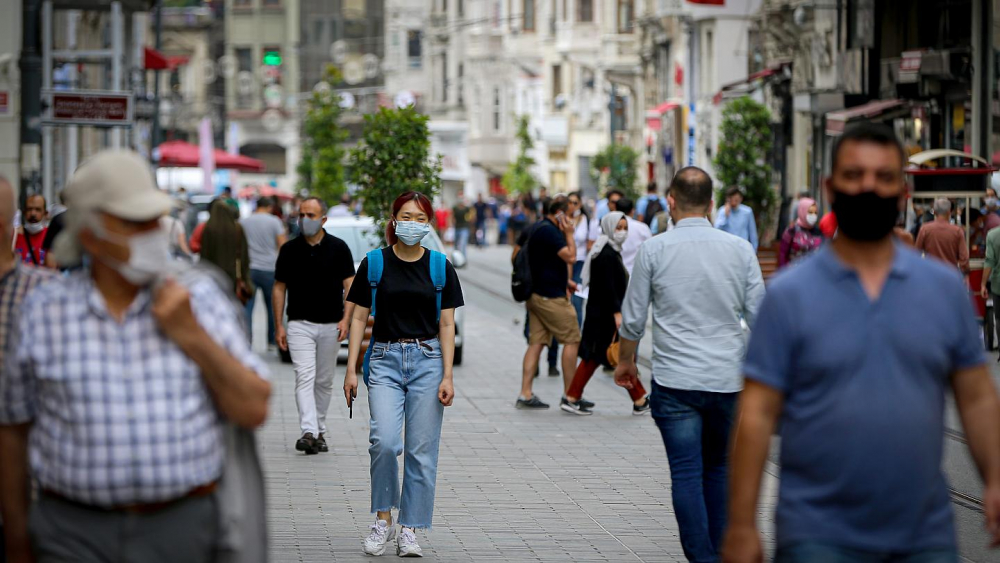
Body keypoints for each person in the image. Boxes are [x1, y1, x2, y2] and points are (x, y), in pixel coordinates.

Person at [724, 123, 1000, 563]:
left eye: (884, 177)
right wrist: (740, 525)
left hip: (923, 534)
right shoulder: (788, 295)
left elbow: (978, 398)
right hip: (815, 533)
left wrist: (995, 479)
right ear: (831, 188)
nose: (869, 187)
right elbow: (755, 414)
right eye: (854, 175)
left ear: (903, 193)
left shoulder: (942, 290)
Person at [0, 150, 271, 563]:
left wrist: (190, 335)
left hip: (182, 527)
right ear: (90, 234)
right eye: (135, 222)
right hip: (71, 532)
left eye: (154, 220)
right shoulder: (44, 311)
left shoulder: (198, 298)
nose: (152, 232)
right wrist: (18, 540)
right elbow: (13, 430)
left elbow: (254, 407)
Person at [614, 167, 765, 563]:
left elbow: (632, 319)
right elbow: (761, 317)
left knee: (685, 472)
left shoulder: (654, 250)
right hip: (728, 380)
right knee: (718, 469)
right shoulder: (739, 250)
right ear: (713, 204)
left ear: (671, 201)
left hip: (675, 380)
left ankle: (702, 558)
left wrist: (626, 362)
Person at [344, 192, 463, 557]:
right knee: (384, 442)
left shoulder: (440, 266)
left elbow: (447, 324)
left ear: (429, 224)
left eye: (421, 218)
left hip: (428, 360)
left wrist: (447, 375)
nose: (413, 224)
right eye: (406, 216)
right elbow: (360, 316)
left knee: (421, 450)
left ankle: (409, 527)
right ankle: (383, 519)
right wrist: (350, 369)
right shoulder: (375, 263)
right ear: (394, 220)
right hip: (383, 358)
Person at [274, 197, 356, 456]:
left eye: (311, 215)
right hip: (299, 323)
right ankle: (308, 430)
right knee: (304, 375)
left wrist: (347, 318)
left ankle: (319, 429)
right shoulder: (289, 250)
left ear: (323, 219)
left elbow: (350, 285)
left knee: (324, 380)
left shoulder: (339, 248)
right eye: (302, 214)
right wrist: (279, 325)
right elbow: (279, 288)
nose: (305, 219)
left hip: (331, 323)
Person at [562, 211, 650, 416]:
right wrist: (617, 313)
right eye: (618, 228)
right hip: (604, 316)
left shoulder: (608, 249)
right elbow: (608, 287)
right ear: (609, 228)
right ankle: (638, 398)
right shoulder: (606, 254)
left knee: (603, 356)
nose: (622, 232)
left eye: (625, 228)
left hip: (602, 314)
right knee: (610, 356)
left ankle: (639, 399)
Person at [514, 196, 581, 409]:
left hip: (537, 294)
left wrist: (565, 280)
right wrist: (569, 234)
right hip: (549, 298)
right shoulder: (551, 231)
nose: (572, 220)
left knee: (537, 343)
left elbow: (545, 262)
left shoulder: (539, 228)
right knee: (572, 339)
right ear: (560, 214)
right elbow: (570, 256)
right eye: (569, 215)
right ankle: (571, 396)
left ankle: (525, 394)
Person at [241, 197, 287, 349]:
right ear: (269, 207)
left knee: (248, 306)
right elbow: (282, 245)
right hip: (270, 268)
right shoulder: (274, 221)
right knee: (273, 306)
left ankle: (247, 340)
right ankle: (272, 341)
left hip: (250, 269)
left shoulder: (245, 221)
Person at [200, 199, 253, 297]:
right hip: (232, 274)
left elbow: (204, 253)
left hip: (214, 274)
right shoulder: (237, 227)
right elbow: (244, 254)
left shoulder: (208, 228)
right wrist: (244, 276)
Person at [915, 197, 969, 274]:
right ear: (949, 211)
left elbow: (916, 253)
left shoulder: (925, 229)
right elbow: (964, 258)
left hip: (930, 274)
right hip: (951, 275)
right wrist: (965, 273)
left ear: (935, 212)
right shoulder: (957, 231)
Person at [777, 197, 824, 268]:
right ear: (803, 211)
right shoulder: (792, 230)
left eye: (815, 213)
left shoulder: (819, 232)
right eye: (810, 212)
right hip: (794, 274)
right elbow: (783, 254)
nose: (813, 215)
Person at [568, 191, 590, 326]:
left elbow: (590, 244)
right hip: (564, 262)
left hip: (580, 262)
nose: (572, 206)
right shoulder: (562, 219)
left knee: (577, 299)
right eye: (569, 203)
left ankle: (577, 334)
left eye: (575, 203)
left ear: (580, 204)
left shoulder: (586, 220)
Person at [615, 198, 653, 274]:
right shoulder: (642, 228)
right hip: (636, 272)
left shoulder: (608, 228)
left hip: (615, 272)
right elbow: (651, 250)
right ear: (633, 210)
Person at [715, 186, 759, 251]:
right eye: (731, 198)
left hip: (743, 248)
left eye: (736, 199)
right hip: (727, 248)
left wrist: (754, 251)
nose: (734, 201)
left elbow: (752, 234)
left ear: (740, 199)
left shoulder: (747, 211)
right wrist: (725, 216)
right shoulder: (722, 211)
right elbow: (717, 230)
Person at [14, 194, 48, 266]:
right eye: (29, 209)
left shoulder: (51, 236)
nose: (33, 214)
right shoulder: (13, 237)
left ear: (45, 213)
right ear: (24, 212)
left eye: (38, 209)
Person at [452, 193, 472, 258]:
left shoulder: (466, 208)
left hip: (464, 227)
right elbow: (452, 216)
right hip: (457, 227)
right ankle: (456, 258)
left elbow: (471, 216)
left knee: (463, 244)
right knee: (456, 245)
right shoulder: (455, 208)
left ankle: (463, 258)